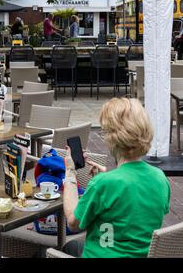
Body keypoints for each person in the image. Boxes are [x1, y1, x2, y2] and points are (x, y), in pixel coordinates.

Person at [63, 97, 170, 258]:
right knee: (72, 246)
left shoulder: (102, 184)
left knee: (57, 250)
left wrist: (70, 172)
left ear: (112, 138)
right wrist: (108, 181)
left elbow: (73, 223)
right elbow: (135, 214)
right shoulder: (160, 178)